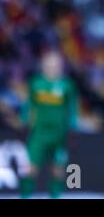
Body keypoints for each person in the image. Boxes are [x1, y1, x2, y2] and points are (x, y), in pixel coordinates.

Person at [20, 50, 78, 198]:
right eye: (50, 64)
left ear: (61, 66)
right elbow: (29, 104)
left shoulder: (67, 85)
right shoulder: (36, 83)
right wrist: (24, 120)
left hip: (59, 135)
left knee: (57, 170)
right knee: (30, 169)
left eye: (56, 65)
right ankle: (25, 196)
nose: (53, 68)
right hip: (39, 134)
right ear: (44, 66)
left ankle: (55, 196)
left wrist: (72, 127)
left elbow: (71, 108)